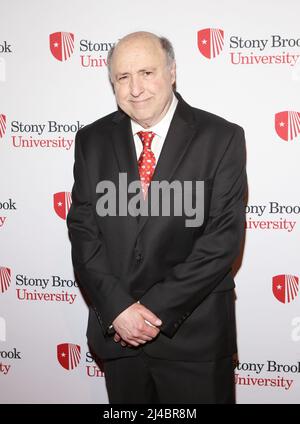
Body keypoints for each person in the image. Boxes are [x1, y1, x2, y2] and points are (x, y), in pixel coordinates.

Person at [67, 31, 247, 404]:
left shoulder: (222, 137)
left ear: (172, 72)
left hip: (194, 339)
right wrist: (119, 309)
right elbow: (83, 231)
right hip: (120, 339)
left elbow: (221, 241)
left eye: (147, 72)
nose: (136, 89)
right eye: (123, 77)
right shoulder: (92, 140)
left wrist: (151, 312)